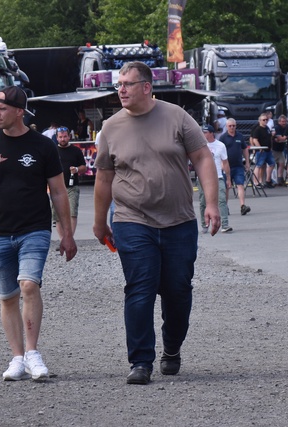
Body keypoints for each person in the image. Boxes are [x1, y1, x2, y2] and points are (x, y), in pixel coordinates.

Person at [92, 61, 220, 385]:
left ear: (146, 87)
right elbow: (104, 177)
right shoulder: (111, 127)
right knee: (140, 288)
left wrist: (213, 203)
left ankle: (172, 348)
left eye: (127, 84)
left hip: (179, 221)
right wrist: (98, 222)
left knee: (178, 290)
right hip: (132, 219)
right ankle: (140, 362)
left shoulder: (176, 116)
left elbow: (203, 157)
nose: (120, 89)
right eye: (118, 84)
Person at [0, 86, 77, 382]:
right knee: (7, 296)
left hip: (35, 230)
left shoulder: (43, 146)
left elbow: (58, 191)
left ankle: (32, 353)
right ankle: (17, 358)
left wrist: (66, 233)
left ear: (19, 111)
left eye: (1, 108)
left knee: (29, 285)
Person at [52, 127, 87, 240]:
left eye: (65, 136)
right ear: (57, 138)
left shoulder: (76, 151)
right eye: (60, 137)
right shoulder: (52, 151)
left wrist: (76, 169)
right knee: (58, 215)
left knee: (72, 212)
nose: (63, 139)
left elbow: (84, 167)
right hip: (56, 187)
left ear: (69, 137)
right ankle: (63, 240)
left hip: (72, 187)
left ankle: (69, 238)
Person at [198, 124, 232, 233]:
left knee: (221, 200)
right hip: (203, 177)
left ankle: (225, 224)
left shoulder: (220, 146)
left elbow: (225, 163)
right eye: (202, 132)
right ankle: (205, 224)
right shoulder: (199, 145)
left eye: (205, 132)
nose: (203, 134)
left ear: (212, 133)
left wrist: (228, 178)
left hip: (218, 176)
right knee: (203, 201)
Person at [219, 118, 251, 215]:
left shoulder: (240, 136)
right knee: (227, 187)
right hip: (227, 166)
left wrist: (247, 162)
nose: (232, 127)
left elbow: (245, 149)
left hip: (238, 166)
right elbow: (220, 151)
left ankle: (242, 206)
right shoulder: (223, 137)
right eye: (230, 126)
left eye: (233, 125)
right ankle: (225, 207)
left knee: (240, 185)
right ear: (226, 126)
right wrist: (221, 164)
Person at [250, 113, 275, 188]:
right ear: (260, 121)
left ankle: (267, 180)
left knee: (272, 164)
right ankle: (256, 182)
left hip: (268, 150)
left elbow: (269, 138)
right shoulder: (258, 129)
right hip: (261, 151)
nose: (265, 121)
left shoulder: (267, 128)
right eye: (263, 120)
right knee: (258, 165)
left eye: (266, 119)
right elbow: (254, 139)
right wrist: (259, 148)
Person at [272, 115, 288, 186]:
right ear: (279, 122)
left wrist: (281, 139)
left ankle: (280, 179)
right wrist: (285, 137)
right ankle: (270, 179)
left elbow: (280, 139)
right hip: (274, 149)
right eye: (282, 121)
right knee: (271, 165)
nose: (284, 123)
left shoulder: (286, 127)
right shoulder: (276, 127)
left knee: (282, 163)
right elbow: (281, 138)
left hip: (281, 150)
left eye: (285, 121)